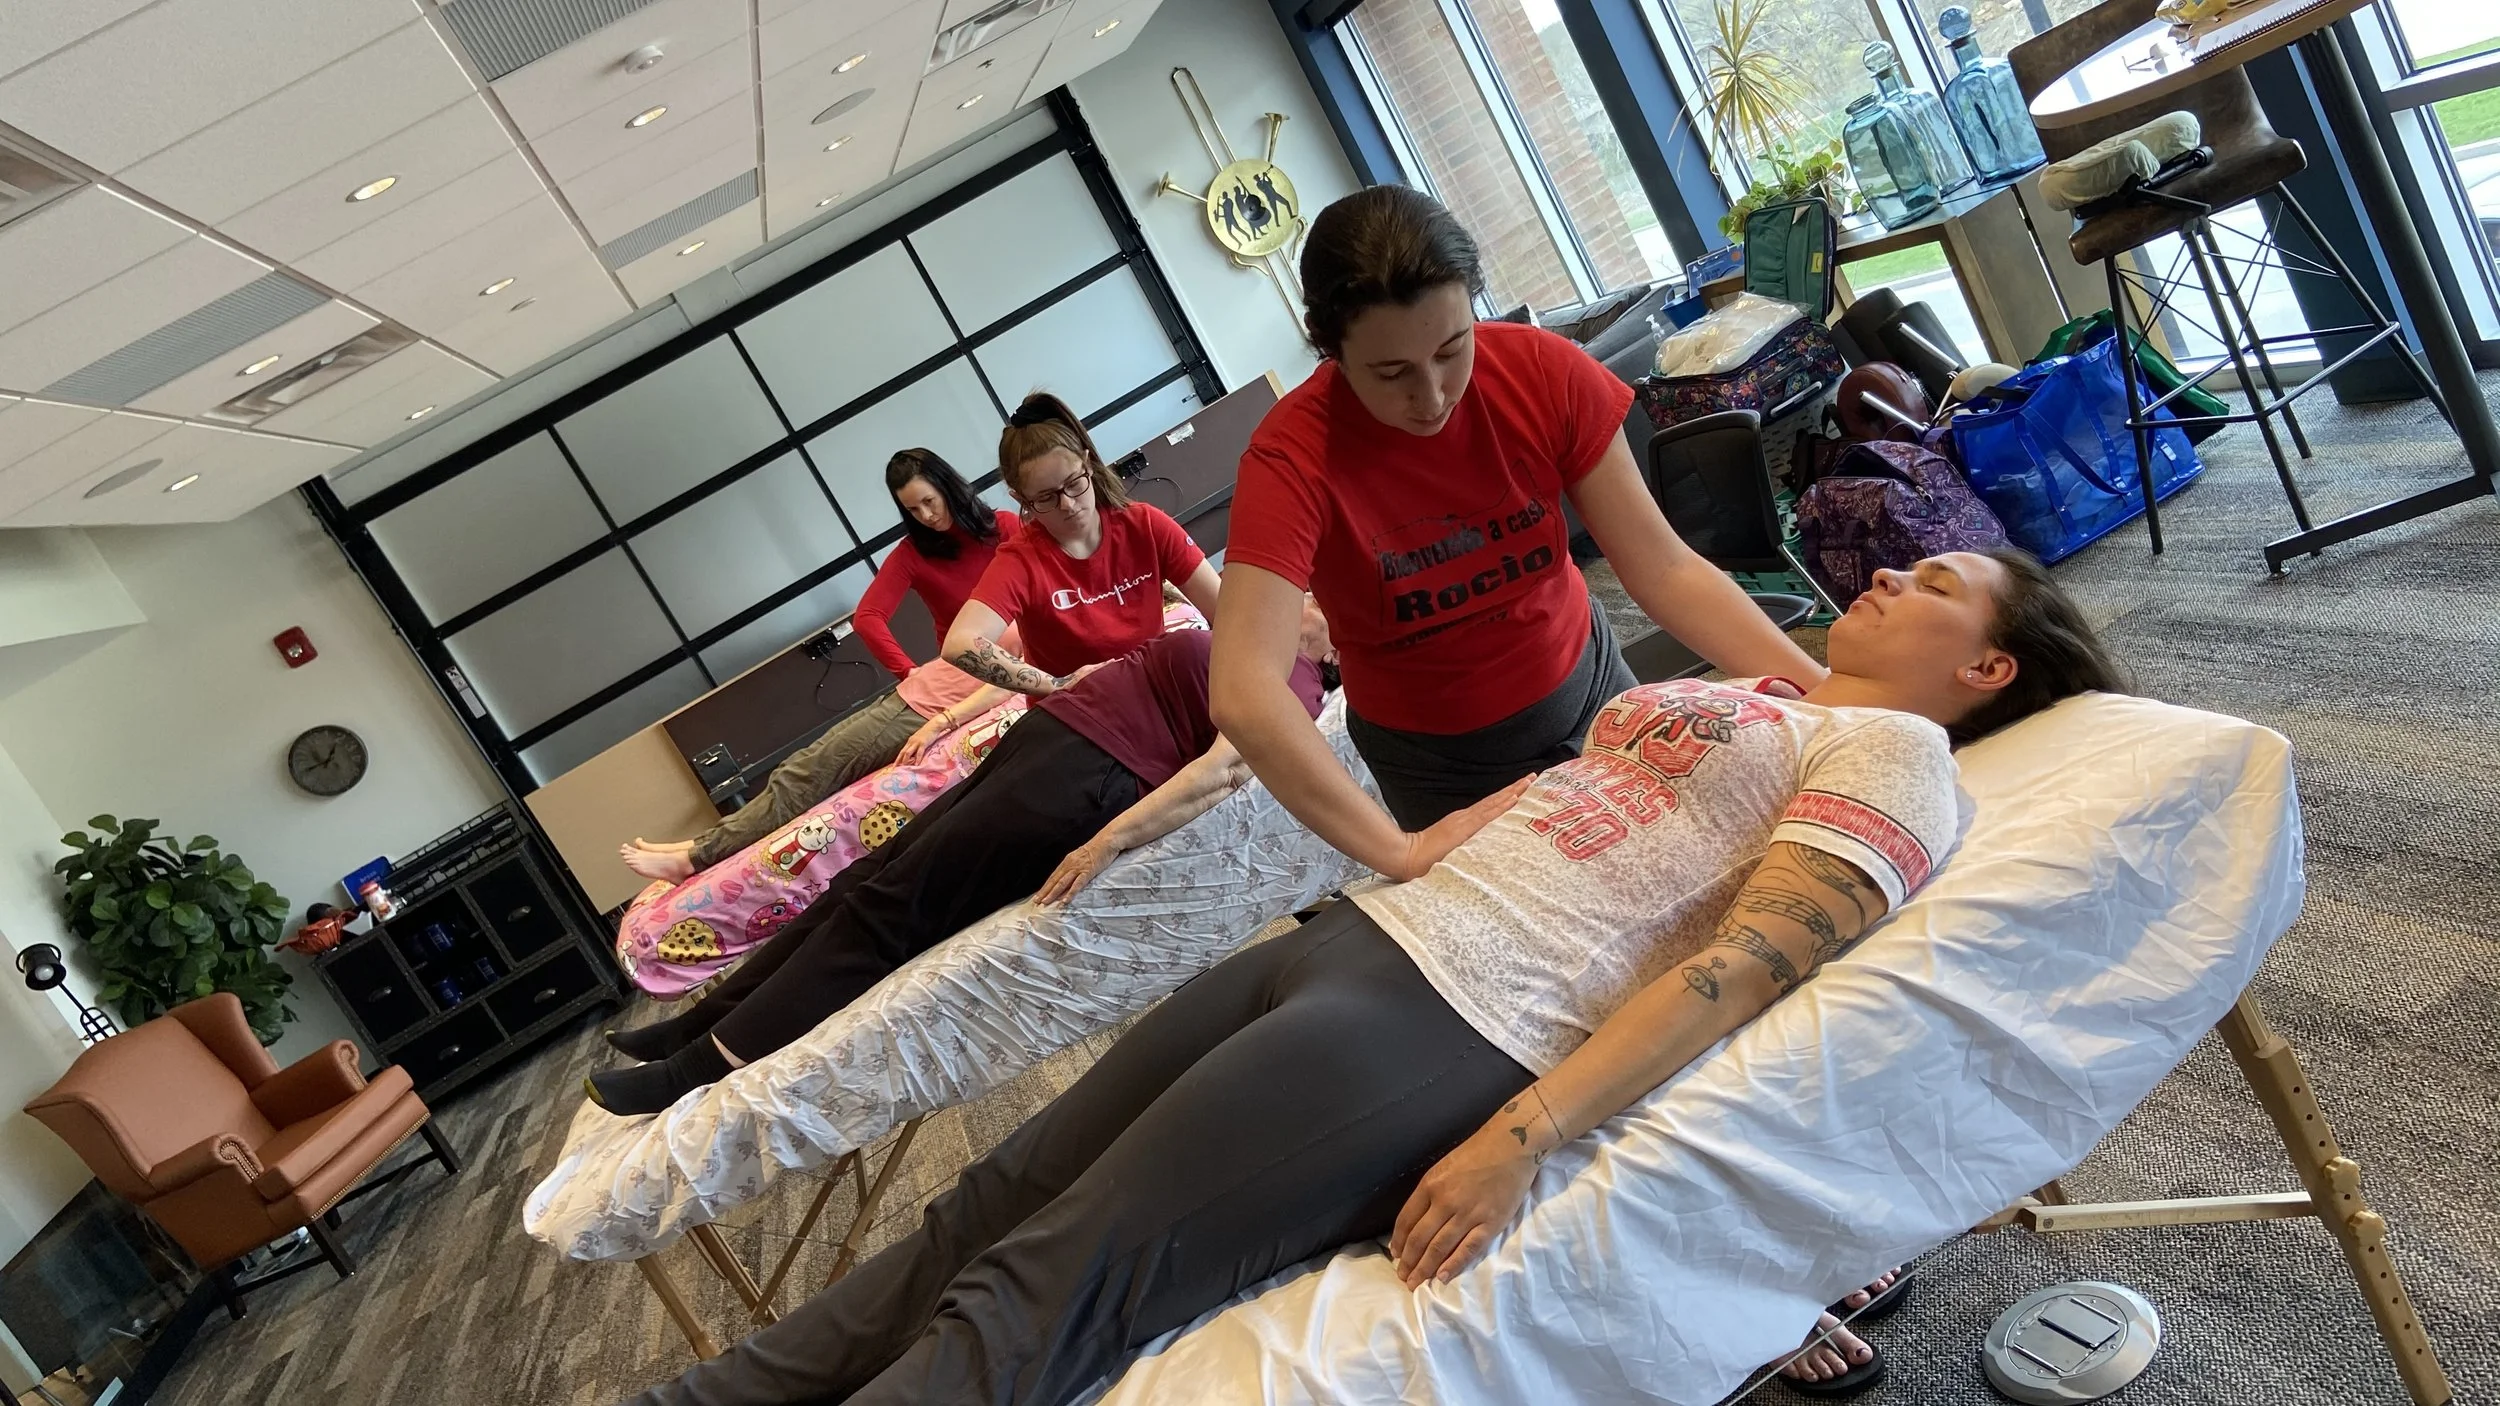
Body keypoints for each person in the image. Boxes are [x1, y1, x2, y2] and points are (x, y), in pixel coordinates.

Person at [619, 550, 2126, 1406]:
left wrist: (1521, 1133)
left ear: (1987, 668)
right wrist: (1413, 848)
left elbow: (1742, 968)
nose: (1887, 566)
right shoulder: (1759, 693)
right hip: (1359, 943)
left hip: (1461, 1025)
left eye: (1935, 580)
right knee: (989, 1200)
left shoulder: (1899, 757)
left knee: (1055, 1277)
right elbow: (1569, 799)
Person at [1210, 185, 1827, 890]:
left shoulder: (1540, 372)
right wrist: (1398, 852)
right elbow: (1244, 692)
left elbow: (1663, 569)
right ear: (1331, 351)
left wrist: (1825, 695)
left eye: (1452, 349)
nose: (1432, 396)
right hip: (1441, 766)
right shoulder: (1290, 460)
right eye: (1391, 373)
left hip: (1591, 690)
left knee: (1699, 870)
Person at [588, 600, 1340, 1116]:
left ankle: (698, 1069)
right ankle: (699, 1024)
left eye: (1320, 596)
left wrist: (1109, 839)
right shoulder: (1252, 634)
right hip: (1051, 743)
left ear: (1338, 640)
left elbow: (1220, 773)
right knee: (859, 883)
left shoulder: (1298, 687)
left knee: (887, 918)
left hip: (1082, 784)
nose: (1306, 593)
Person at [620, 449, 1021, 884]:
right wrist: (908, 670)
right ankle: (700, 849)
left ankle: (696, 857)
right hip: (929, 688)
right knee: (805, 768)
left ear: (949, 487)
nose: (926, 515)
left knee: (807, 772)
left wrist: (941, 709)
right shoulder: (921, 552)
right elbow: (868, 617)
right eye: (912, 509)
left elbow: (1012, 669)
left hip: (937, 700)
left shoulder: (1008, 534)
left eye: (930, 500)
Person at [943, 392, 1222, 701]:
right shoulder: (1021, 561)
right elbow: (959, 644)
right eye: (1046, 497)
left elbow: (1224, 611)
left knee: (1191, 648)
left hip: (1151, 690)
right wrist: (1058, 685)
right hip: (1081, 707)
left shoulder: (1144, 525)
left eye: (1074, 483)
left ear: (1088, 465)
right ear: (1021, 500)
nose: (1068, 504)